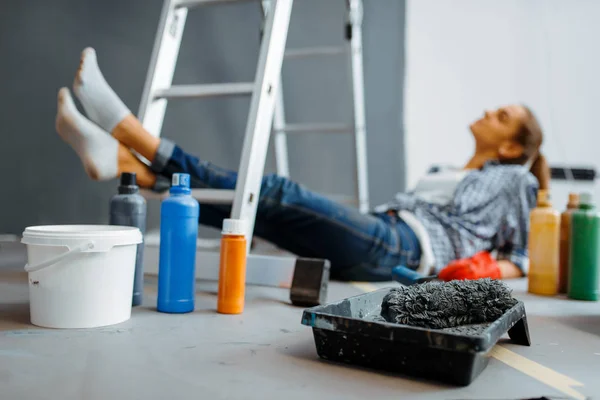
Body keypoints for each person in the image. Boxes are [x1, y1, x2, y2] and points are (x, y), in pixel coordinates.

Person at [56, 48, 549, 282]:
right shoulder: (448, 169)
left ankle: (130, 132)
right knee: (259, 215)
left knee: (277, 193)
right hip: (386, 236)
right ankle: (127, 166)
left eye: (501, 117)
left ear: (510, 148)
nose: (488, 112)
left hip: (403, 247)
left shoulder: (516, 181)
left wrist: (482, 272)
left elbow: (524, 256)